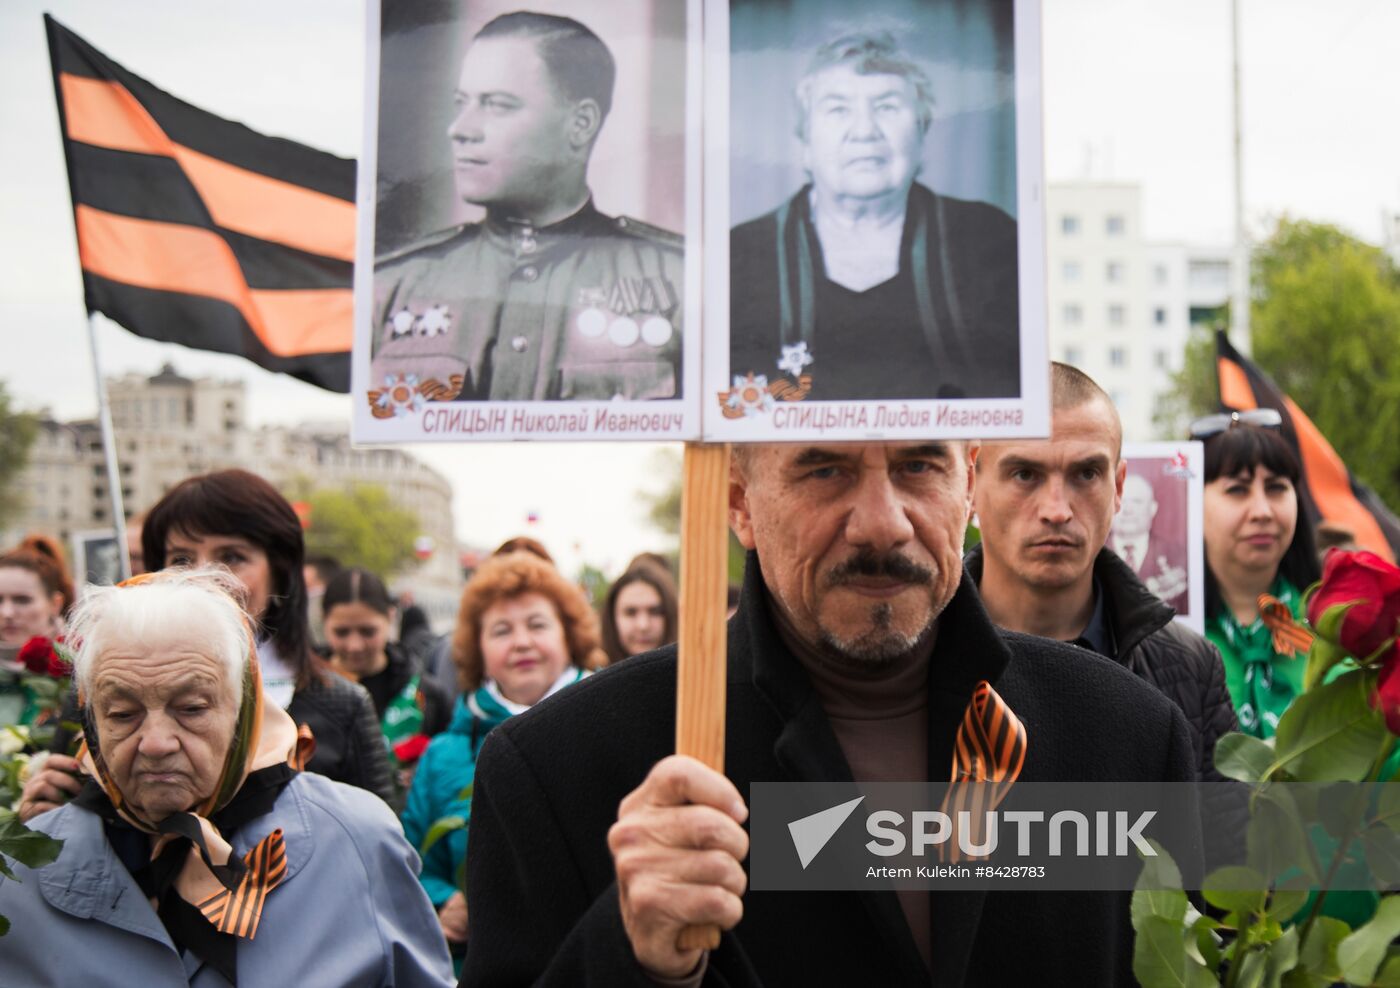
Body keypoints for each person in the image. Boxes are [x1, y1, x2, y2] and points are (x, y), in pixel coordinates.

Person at [461, 441, 1199, 986]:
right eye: (824, 469)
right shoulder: (559, 773)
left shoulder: (1128, 736)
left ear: (968, 481)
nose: (882, 524)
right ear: (739, 503)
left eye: (918, 465)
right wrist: (631, 955)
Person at [0, 568, 453, 987]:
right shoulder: (23, 873)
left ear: (244, 711)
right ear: (92, 722)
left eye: (192, 708)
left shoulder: (357, 840)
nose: (156, 742)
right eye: (122, 713)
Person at [967, 362, 1240, 862]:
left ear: (1118, 488)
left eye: (1085, 474)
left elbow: (1231, 889)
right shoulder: (914, 654)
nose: (1056, 509)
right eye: (1024, 473)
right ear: (970, 484)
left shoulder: (1190, 666)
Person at [18, 470, 396, 821]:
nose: (204, 577)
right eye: (180, 559)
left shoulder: (342, 705)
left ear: (279, 570)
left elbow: (379, 846)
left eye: (232, 557)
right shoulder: (100, 689)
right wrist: (50, 815)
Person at [371, 11, 684, 404]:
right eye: (461, 103)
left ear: (581, 124)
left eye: (498, 105)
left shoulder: (680, 279)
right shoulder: (394, 287)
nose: (461, 129)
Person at [729, 32, 1019, 402]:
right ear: (805, 141)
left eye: (887, 107)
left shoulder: (990, 242)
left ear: (921, 131)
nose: (865, 131)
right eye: (838, 109)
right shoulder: (740, 256)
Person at [401, 550, 607, 969]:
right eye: (501, 630)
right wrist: (446, 901)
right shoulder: (443, 756)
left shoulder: (610, 730)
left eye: (537, 624)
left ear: (569, 635)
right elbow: (408, 867)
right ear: (478, 649)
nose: (521, 642)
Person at [1194, 410, 1320, 738]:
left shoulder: (1332, 626)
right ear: (1194, 502)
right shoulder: (1170, 636)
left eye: (1277, 487)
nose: (1262, 511)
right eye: (1237, 490)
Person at [322, 567, 451, 780]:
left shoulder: (426, 694)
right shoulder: (302, 690)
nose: (354, 645)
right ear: (323, 620)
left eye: (367, 631)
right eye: (341, 632)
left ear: (391, 617)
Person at [0, 536, 75, 728]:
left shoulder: (82, 669)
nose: (7, 613)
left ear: (55, 604)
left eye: (22, 600)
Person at [1110, 472, 1189, 613]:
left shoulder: (1180, 557)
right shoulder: (1091, 556)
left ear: (1153, 509)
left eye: (1137, 501)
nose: (1128, 510)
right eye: (1121, 500)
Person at [599, 562, 678, 663]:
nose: (643, 626)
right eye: (630, 612)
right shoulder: (589, 676)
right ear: (612, 618)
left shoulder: (690, 675)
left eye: (655, 612)